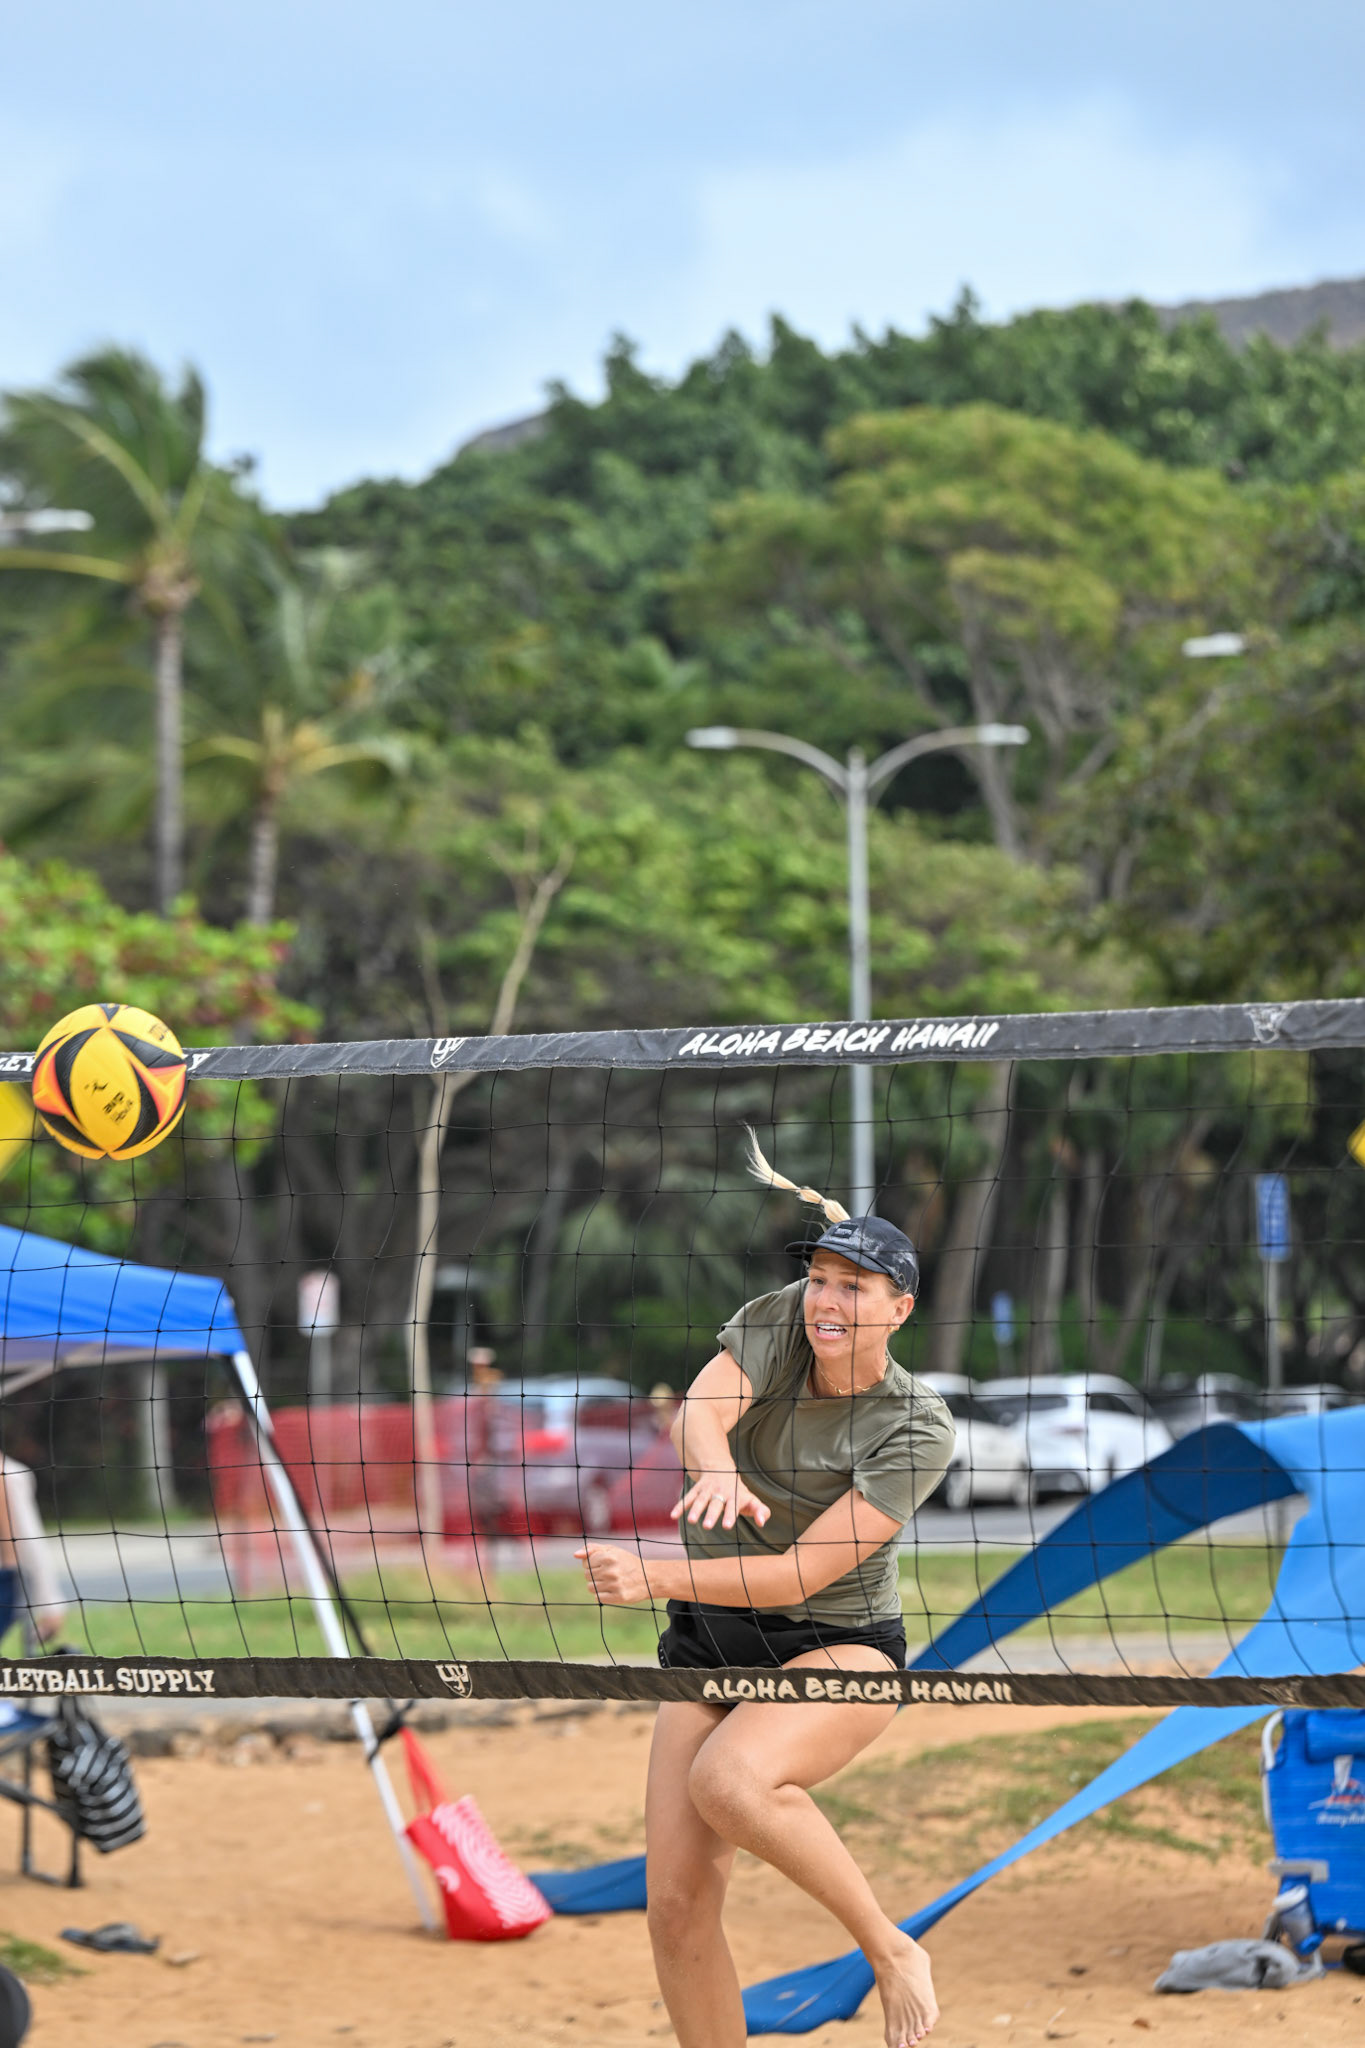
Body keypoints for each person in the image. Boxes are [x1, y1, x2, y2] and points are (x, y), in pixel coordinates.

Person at [578, 1135, 955, 2048]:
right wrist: (713, 1471)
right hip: (710, 1637)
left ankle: (889, 1949)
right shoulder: (785, 1320)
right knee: (673, 1904)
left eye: (852, 1288)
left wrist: (652, 1572)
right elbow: (702, 1410)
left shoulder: (916, 1426)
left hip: (836, 1642)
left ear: (898, 1309)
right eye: (821, 1278)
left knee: (732, 1782)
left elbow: (798, 1574)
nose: (826, 1300)